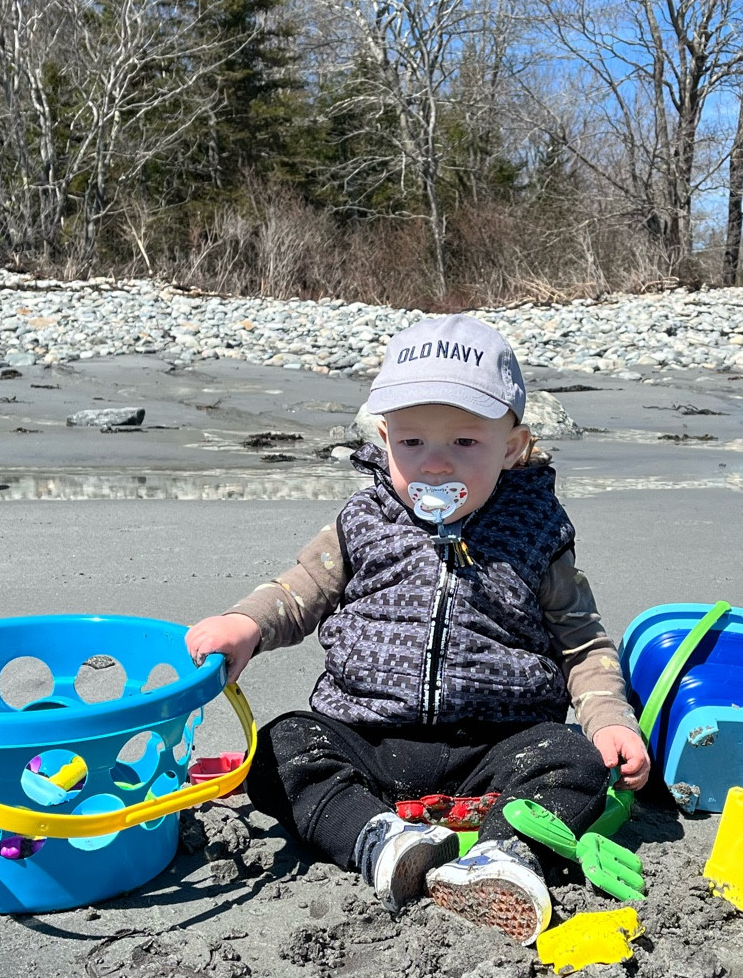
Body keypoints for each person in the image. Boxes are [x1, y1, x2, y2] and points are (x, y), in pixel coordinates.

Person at [185, 314, 650, 944]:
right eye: (411, 445)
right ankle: (381, 842)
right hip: (369, 737)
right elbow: (299, 592)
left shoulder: (537, 532)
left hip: (496, 745)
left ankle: (504, 857)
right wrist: (246, 624)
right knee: (277, 749)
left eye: (464, 444)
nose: (434, 466)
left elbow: (581, 641)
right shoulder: (363, 522)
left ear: (511, 446)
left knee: (575, 760)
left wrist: (610, 719)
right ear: (383, 439)